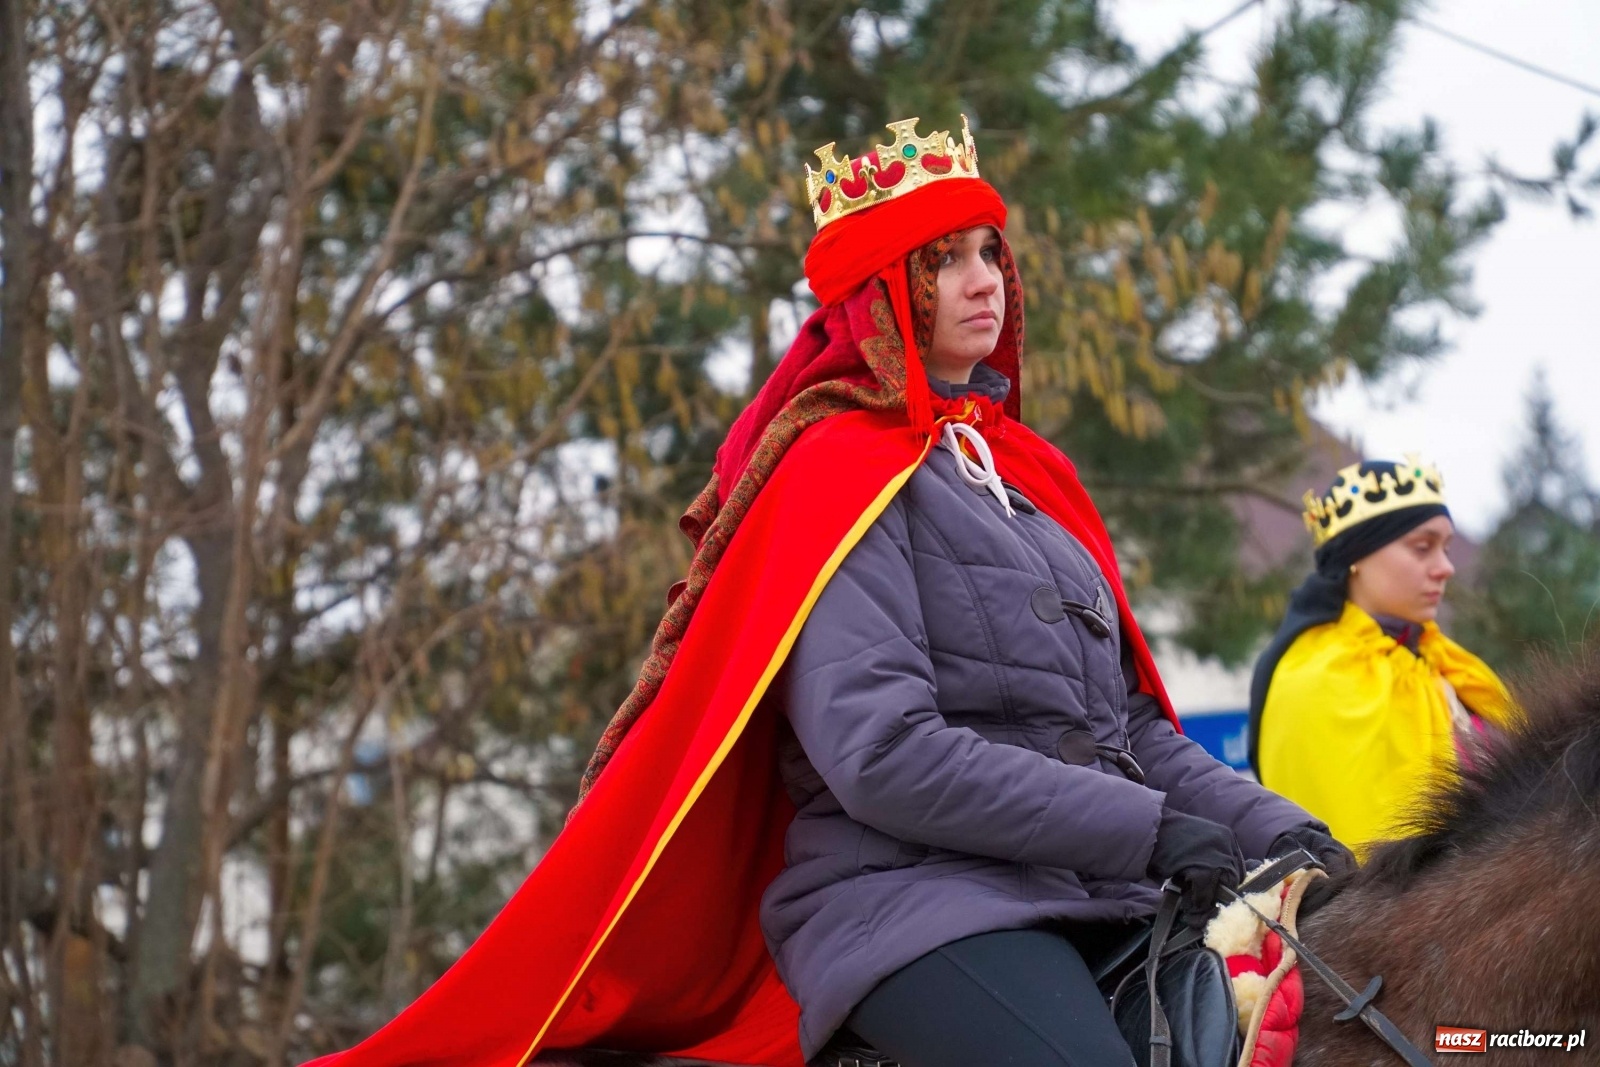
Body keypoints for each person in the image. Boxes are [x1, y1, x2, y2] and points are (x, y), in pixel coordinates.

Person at [309, 117, 1348, 1067]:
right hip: (918, 905)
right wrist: (1143, 829)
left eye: (991, 252)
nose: (984, 280)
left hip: (1102, 892)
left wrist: (1288, 831)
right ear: (886, 291)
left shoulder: (1035, 486)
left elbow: (1134, 730)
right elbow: (883, 753)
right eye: (946, 260)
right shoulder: (836, 477)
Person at [1250, 458, 1517, 852]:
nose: (1445, 568)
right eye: (1423, 547)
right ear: (1357, 555)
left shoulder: (1449, 664)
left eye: (1445, 548)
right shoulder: (1315, 680)